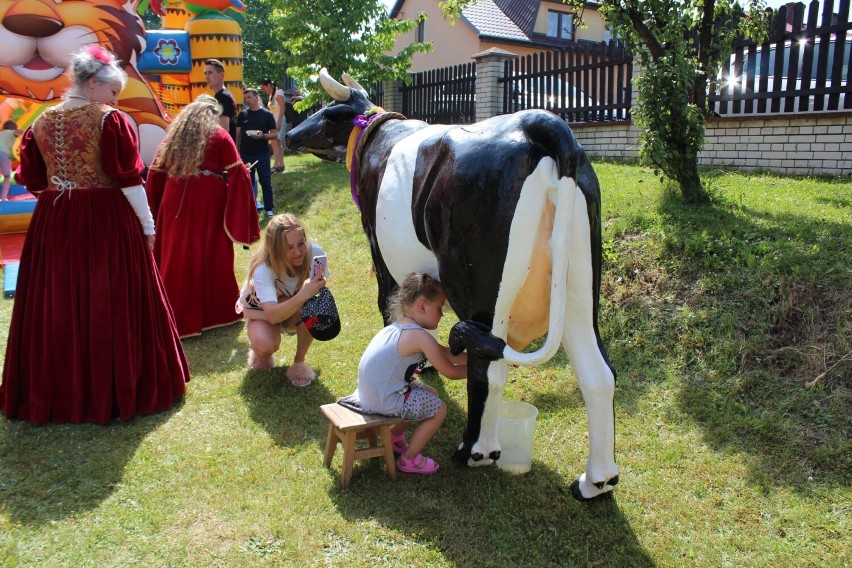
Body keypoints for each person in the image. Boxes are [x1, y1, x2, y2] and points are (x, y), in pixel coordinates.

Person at [0, 46, 189, 424]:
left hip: (54, 220)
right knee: (111, 297)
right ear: (91, 84)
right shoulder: (110, 121)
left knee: (59, 299)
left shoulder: (40, 123)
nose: (116, 99)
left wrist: (65, 196)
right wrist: (148, 226)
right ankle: (116, 388)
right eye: (112, 91)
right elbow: (129, 181)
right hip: (105, 220)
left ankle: (60, 390)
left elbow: (34, 180)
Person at [146, 95, 261, 338]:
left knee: (175, 253)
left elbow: (155, 173)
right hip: (208, 201)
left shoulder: (173, 136)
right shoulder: (218, 135)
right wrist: (244, 175)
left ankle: (171, 316)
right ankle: (217, 314)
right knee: (211, 253)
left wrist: (152, 210)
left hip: (173, 197)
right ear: (213, 115)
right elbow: (237, 171)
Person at [354, 272, 467, 474]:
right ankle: (409, 459)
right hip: (383, 400)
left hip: (369, 394)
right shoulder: (418, 336)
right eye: (439, 308)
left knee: (430, 393)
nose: (442, 314)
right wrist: (479, 372)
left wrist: (479, 360)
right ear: (422, 306)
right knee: (439, 409)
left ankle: (394, 437)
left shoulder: (400, 327)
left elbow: (446, 354)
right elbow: (450, 371)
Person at [237, 213, 328, 386]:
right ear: (276, 249)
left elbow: (318, 296)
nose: (298, 252)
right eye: (289, 247)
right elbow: (272, 315)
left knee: (311, 306)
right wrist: (303, 294)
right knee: (265, 346)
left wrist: (312, 294)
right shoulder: (263, 268)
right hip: (262, 311)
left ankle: (299, 362)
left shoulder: (315, 254)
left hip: (292, 309)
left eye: (301, 243)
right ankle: (260, 350)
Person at [236, 88, 277, 218]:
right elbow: (238, 134)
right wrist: (236, 151)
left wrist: (263, 136)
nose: (246, 100)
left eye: (249, 97)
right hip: (246, 154)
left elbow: (274, 134)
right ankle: (250, 209)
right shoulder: (243, 115)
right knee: (247, 183)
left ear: (256, 97)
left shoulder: (267, 114)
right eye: (245, 98)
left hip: (262, 153)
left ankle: (269, 209)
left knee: (265, 181)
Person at [204, 58, 237, 143]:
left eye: (210, 72)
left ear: (221, 75)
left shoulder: (222, 96)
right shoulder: (225, 94)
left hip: (223, 148)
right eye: (205, 73)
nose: (207, 76)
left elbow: (224, 129)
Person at [259, 79, 286, 173]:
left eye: (264, 87)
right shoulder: (271, 96)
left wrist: (278, 123)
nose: (264, 90)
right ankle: (280, 164)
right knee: (277, 143)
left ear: (269, 85)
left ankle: (276, 165)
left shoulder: (278, 92)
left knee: (275, 143)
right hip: (272, 122)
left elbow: (282, 107)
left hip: (278, 121)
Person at [0, 120, 23, 200]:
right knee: (7, 176)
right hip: (3, 153)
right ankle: (3, 198)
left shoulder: (1, 133)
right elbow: (17, 132)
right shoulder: (11, 132)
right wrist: (25, 133)